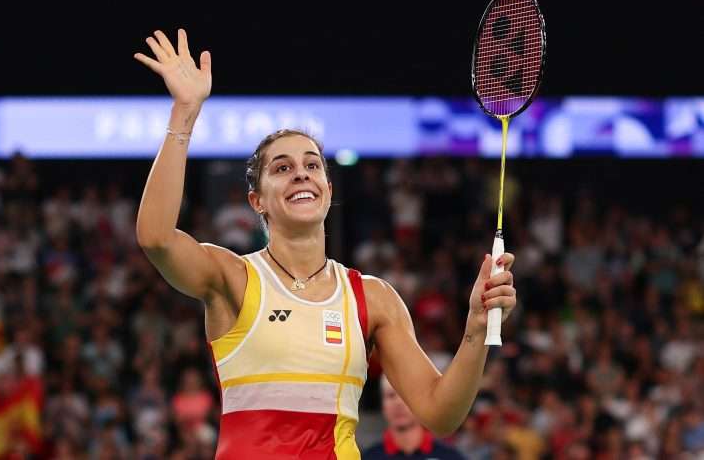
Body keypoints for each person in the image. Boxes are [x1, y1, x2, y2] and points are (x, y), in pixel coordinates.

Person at [134, 28, 517, 459]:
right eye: (281, 168)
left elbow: (440, 413)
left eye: (312, 165)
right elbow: (156, 237)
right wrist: (184, 113)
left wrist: (475, 331)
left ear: (328, 190)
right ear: (256, 201)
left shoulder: (373, 298)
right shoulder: (233, 277)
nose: (301, 174)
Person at [363, 375, 466, 459]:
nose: (398, 403)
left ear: (421, 403)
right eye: (391, 395)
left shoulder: (450, 457)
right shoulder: (368, 457)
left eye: (405, 395)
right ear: (382, 405)